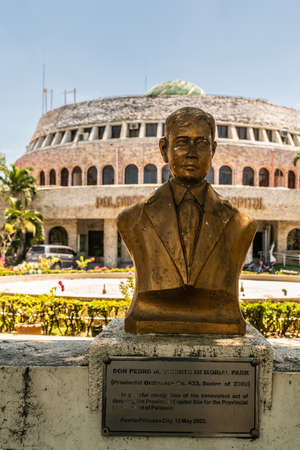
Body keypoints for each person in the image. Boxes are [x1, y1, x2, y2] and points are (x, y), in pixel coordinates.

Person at [118, 107, 256, 335]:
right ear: (164, 149)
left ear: (213, 149)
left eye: (201, 143)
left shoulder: (239, 223)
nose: (192, 152)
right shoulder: (132, 219)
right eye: (182, 142)